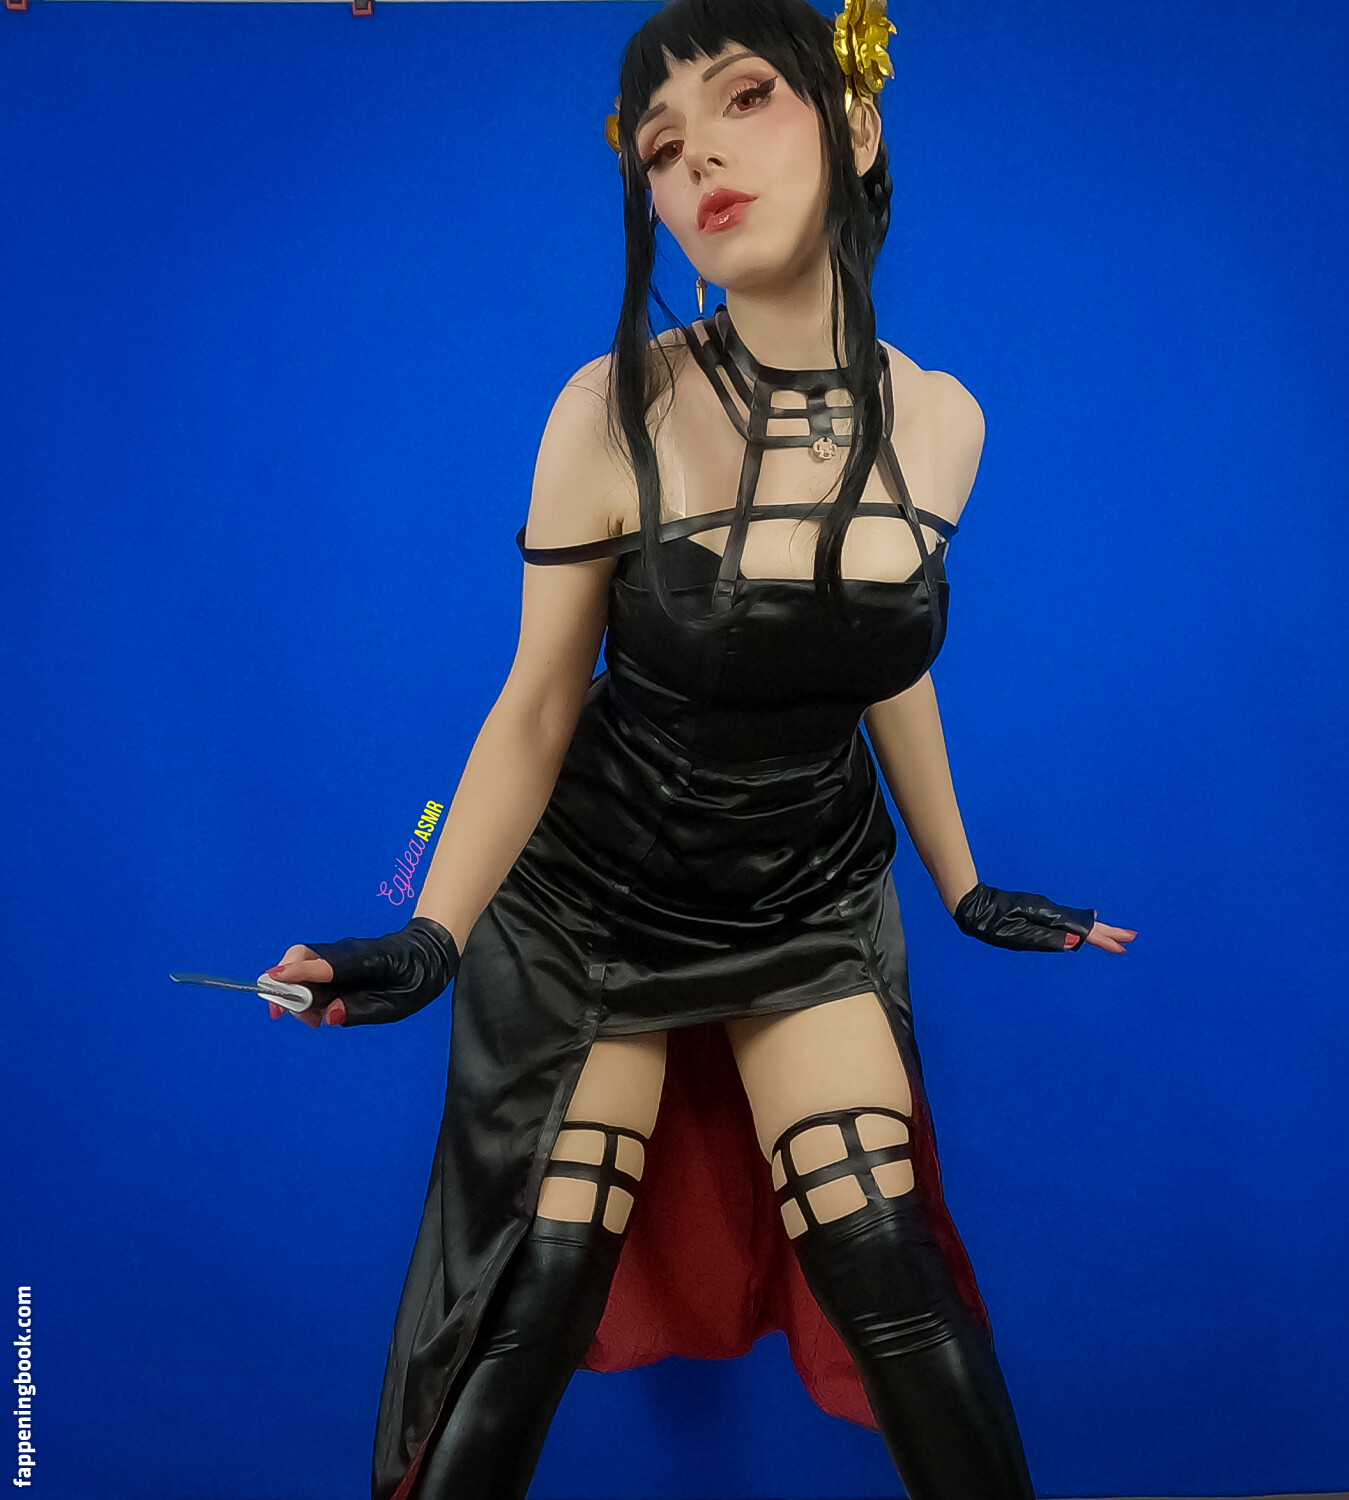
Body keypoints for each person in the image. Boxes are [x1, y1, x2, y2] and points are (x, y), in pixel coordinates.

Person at [266, 2, 1137, 1497]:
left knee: (887, 1254)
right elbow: (539, 703)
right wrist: (429, 931)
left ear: (855, 125)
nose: (699, 161)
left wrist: (962, 881)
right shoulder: (614, 410)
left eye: (744, 100)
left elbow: (874, 660)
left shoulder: (943, 424)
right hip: (594, 906)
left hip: (807, 896)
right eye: (662, 148)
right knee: (537, 1284)